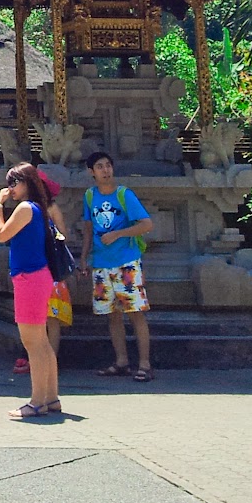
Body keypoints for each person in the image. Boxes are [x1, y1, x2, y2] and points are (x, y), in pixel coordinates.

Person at [80, 150, 155, 382]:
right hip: (101, 264)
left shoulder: (124, 195)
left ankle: (145, 364)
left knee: (135, 313)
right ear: (91, 172)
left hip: (126, 263)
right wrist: (84, 257)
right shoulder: (89, 196)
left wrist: (118, 234)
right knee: (111, 314)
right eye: (100, 167)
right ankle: (121, 361)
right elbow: (88, 229)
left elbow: (146, 224)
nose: (106, 170)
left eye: (108, 165)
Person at [0, 161, 61, 419]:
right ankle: (51, 398)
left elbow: (2, 235)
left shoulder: (25, 208)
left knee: (32, 343)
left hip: (29, 279)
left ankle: (36, 402)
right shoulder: (38, 207)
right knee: (41, 341)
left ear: (28, 183)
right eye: (9, 183)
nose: (10, 188)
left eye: (15, 182)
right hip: (37, 277)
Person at [13, 170, 72, 375]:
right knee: (33, 320)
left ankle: (50, 360)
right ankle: (34, 358)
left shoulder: (51, 208)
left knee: (52, 318)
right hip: (32, 269)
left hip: (50, 267)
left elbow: (63, 235)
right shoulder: (26, 208)